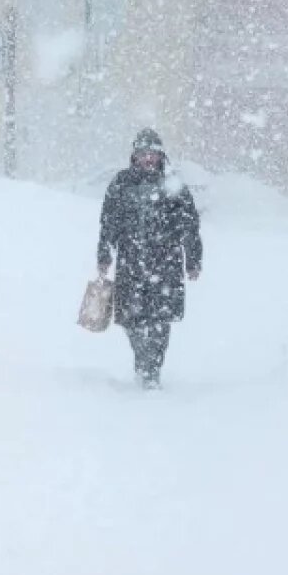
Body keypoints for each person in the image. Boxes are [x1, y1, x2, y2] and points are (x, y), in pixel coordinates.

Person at [97, 128, 203, 389]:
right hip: (130, 262)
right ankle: (143, 360)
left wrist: (193, 259)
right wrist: (104, 255)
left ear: (160, 156)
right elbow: (109, 223)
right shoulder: (121, 183)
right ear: (134, 156)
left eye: (153, 154)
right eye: (143, 153)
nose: (148, 158)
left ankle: (151, 371)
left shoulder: (173, 185)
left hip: (165, 263)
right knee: (131, 319)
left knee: (160, 321)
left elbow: (189, 224)